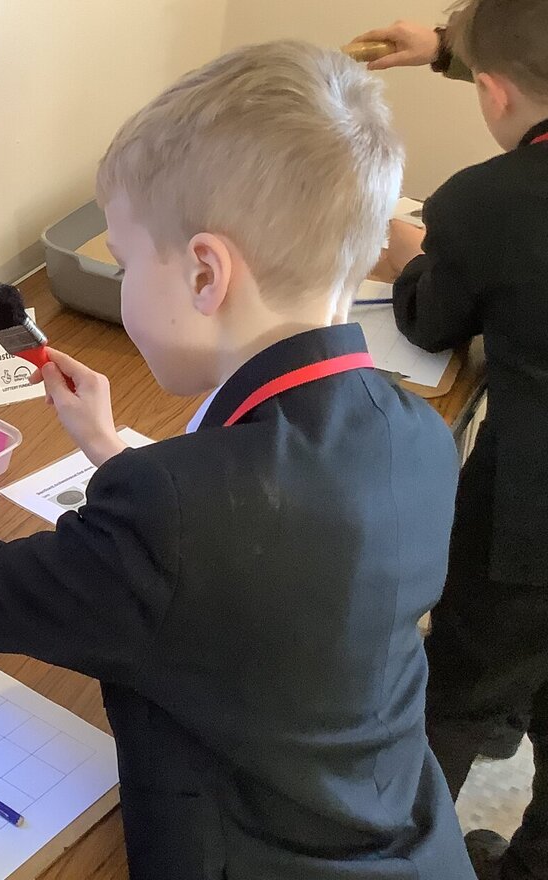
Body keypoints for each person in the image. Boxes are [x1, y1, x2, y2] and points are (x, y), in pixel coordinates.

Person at [0, 41, 472, 880]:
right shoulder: (413, 433)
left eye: (124, 264)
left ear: (204, 273)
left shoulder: (177, 513)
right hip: (404, 834)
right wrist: (111, 446)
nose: (120, 284)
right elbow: (283, 557)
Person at [376, 1, 548, 876]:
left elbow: (436, 321)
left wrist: (412, 255)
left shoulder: (485, 201)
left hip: (529, 523)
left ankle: (406, 856)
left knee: (458, 688)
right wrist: (449, 47)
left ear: (490, 94)